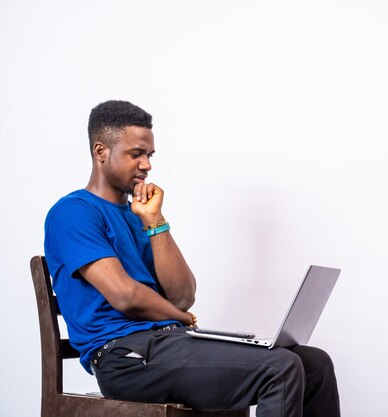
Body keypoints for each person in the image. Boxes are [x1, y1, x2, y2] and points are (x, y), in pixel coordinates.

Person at [43, 100, 340, 417]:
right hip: (124, 357)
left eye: (149, 155)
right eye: (136, 154)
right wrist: (181, 318)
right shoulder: (73, 212)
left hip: (170, 345)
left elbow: (184, 296)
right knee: (279, 368)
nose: (147, 165)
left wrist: (156, 222)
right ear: (101, 152)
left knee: (315, 364)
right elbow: (126, 296)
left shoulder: (139, 216)